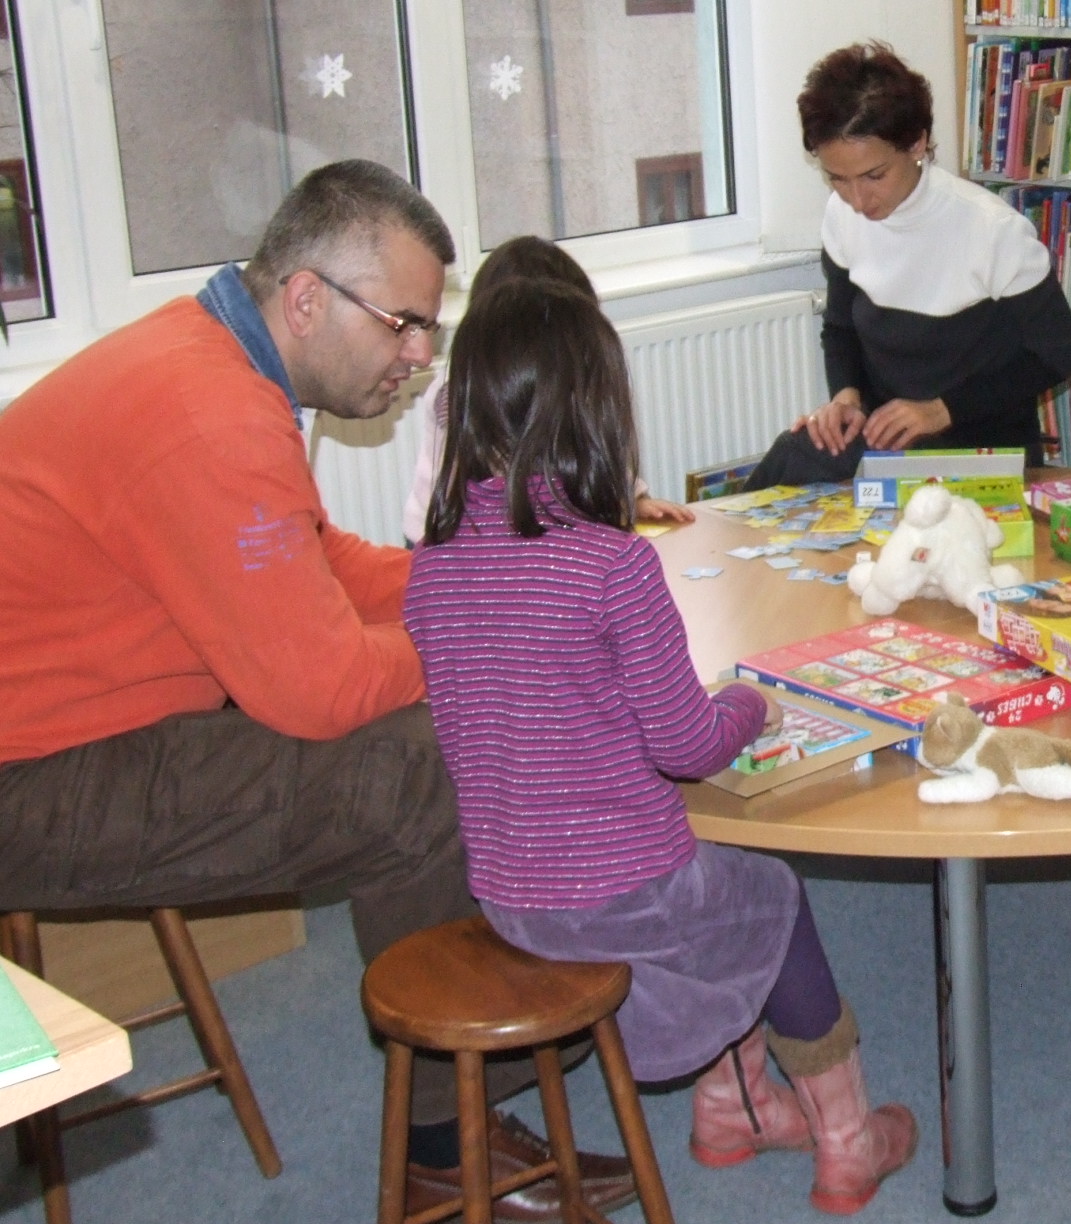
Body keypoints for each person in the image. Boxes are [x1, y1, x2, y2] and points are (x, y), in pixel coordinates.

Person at [0, 159, 636, 1223]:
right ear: (306, 299)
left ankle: (490, 1051)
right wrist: (492, 628)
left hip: (77, 721)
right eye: (403, 324)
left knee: (422, 718)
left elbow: (319, 558)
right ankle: (447, 1139)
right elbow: (325, 690)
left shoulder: (207, 357)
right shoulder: (208, 414)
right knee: (418, 767)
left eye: (428, 327)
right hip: (32, 774)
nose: (420, 355)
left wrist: (486, 579)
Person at [403, 278, 917, 1216]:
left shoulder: (431, 566)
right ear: (596, 410)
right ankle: (849, 1142)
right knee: (770, 895)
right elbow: (688, 746)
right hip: (623, 895)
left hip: (510, 894)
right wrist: (751, 704)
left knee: (720, 887)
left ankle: (732, 1110)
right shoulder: (611, 561)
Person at [745, 41, 1071, 488]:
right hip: (886, 446)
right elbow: (841, 329)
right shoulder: (841, 215)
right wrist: (846, 399)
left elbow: (1057, 355)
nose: (857, 199)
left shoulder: (991, 229)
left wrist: (941, 410)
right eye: (837, 179)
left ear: (917, 143)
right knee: (792, 461)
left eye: (874, 176)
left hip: (980, 445)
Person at [399, 234, 692, 545]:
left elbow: (594, 445)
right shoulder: (458, 390)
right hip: (444, 537)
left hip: (526, 530)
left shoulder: (570, 377)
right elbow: (479, 480)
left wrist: (632, 497)